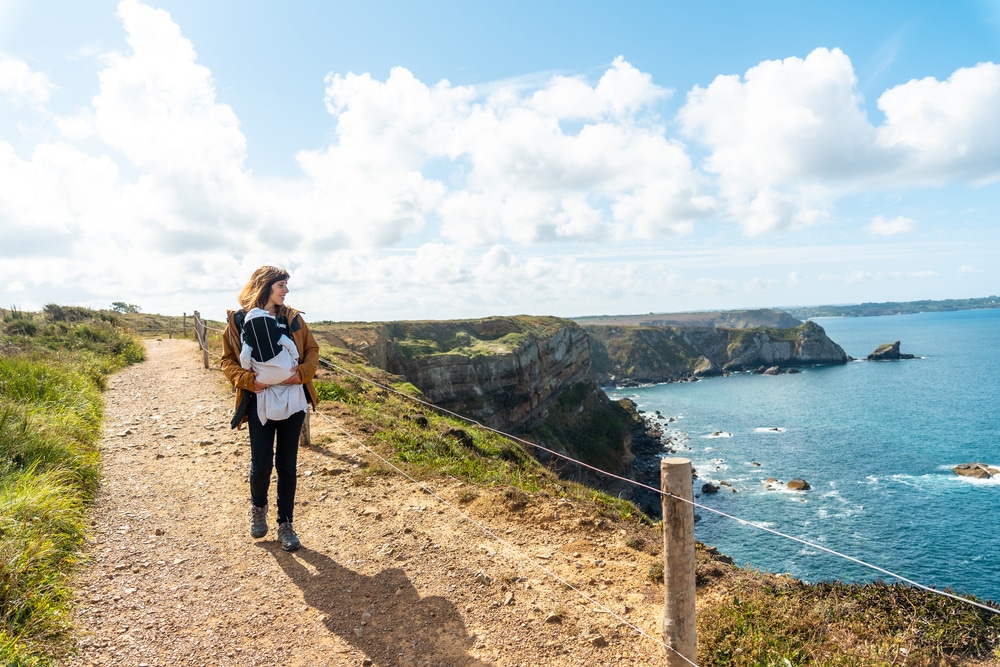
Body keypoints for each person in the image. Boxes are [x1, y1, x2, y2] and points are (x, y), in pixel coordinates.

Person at [221, 266, 319, 551]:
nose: (286, 291)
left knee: (287, 465)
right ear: (265, 286)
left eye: (286, 286)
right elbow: (227, 361)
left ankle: (285, 525)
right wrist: (248, 381)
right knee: (262, 463)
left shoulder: (293, 318)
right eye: (281, 285)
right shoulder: (239, 321)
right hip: (259, 402)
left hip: (293, 401)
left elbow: (312, 350)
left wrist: (301, 374)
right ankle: (258, 508)